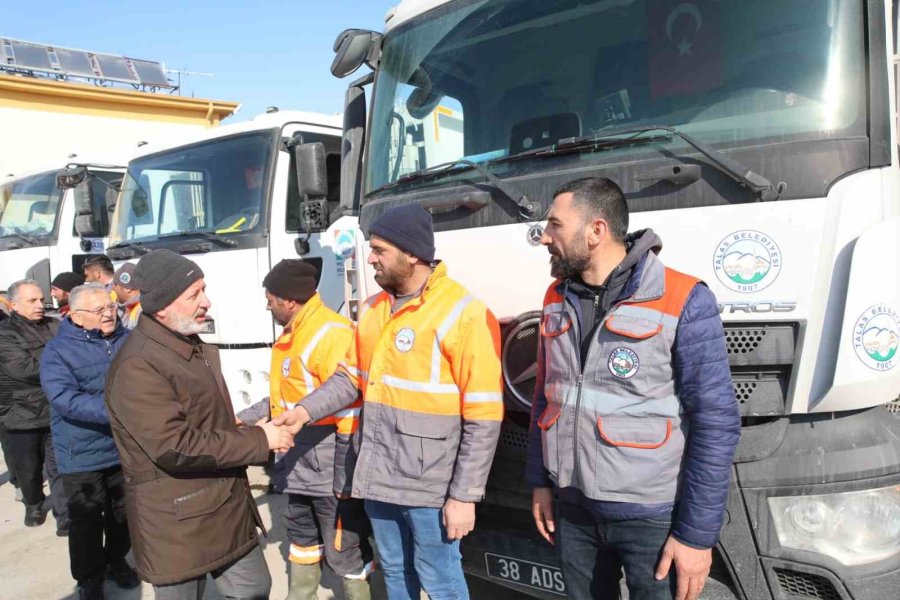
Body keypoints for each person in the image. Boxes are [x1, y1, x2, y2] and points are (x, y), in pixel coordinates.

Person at [525, 177, 741, 600]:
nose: (544, 237)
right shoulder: (556, 295)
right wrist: (540, 481)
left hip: (651, 519)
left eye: (555, 225)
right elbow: (545, 398)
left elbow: (716, 423)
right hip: (572, 509)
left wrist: (696, 536)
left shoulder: (682, 298)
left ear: (596, 231)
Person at [274, 205, 504, 600]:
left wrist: (464, 496)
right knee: (395, 574)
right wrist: (305, 410)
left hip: (430, 487)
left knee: (441, 579)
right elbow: (351, 378)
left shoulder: (464, 314)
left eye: (379, 249)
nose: (370, 258)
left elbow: (484, 415)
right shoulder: (374, 309)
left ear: (411, 253)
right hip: (379, 477)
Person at [105, 249, 294, 599]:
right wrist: (258, 440)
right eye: (193, 295)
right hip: (178, 521)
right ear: (161, 306)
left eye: (204, 289)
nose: (206, 302)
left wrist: (239, 424)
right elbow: (175, 446)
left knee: (254, 589)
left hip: (223, 506)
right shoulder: (139, 366)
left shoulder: (187, 344)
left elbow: (201, 416)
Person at [238, 259, 373, 600]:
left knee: (342, 544)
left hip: (328, 464)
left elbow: (350, 402)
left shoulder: (330, 333)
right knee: (301, 535)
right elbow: (286, 396)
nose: (267, 306)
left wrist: (347, 474)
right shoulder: (296, 333)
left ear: (289, 300)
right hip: (298, 461)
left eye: (270, 299)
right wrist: (244, 416)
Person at [41, 283, 137, 600]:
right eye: (99, 311)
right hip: (81, 450)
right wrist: (118, 410)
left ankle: (116, 560)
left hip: (123, 446)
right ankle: (89, 578)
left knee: (123, 514)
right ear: (78, 316)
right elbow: (64, 398)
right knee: (86, 520)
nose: (109, 313)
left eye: (110, 306)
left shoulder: (127, 339)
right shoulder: (58, 351)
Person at [0, 279, 68, 531]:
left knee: (60, 465)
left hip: (56, 408)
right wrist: (64, 366)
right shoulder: (5, 334)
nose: (40, 305)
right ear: (14, 305)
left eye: (41, 299)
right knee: (28, 468)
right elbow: (24, 369)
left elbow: (72, 351)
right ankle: (33, 503)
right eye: (32, 301)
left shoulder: (55, 325)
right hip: (22, 413)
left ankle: (65, 516)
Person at [112, 263, 141, 330]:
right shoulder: (126, 307)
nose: (112, 288)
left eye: (115, 284)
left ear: (127, 288)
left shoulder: (142, 312)